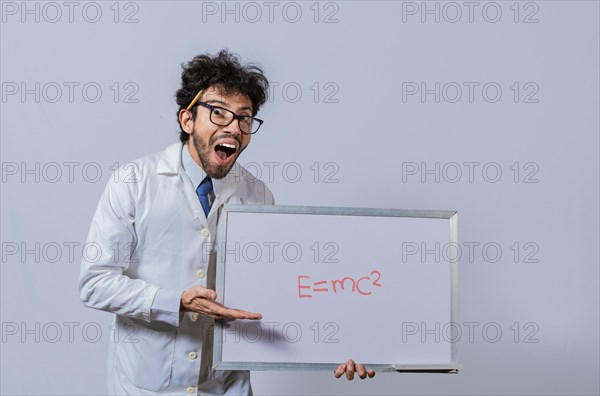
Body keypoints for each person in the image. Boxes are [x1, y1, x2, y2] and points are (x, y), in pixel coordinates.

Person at [79, 49, 374, 395]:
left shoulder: (258, 195)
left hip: (226, 386)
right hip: (146, 384)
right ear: (187, 120)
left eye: (244, 118)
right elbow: (95, 282)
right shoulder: (133, 181)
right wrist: (175, 300)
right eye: (218, 113)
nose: (233, 127)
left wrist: (337, 345)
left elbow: (281, 293)